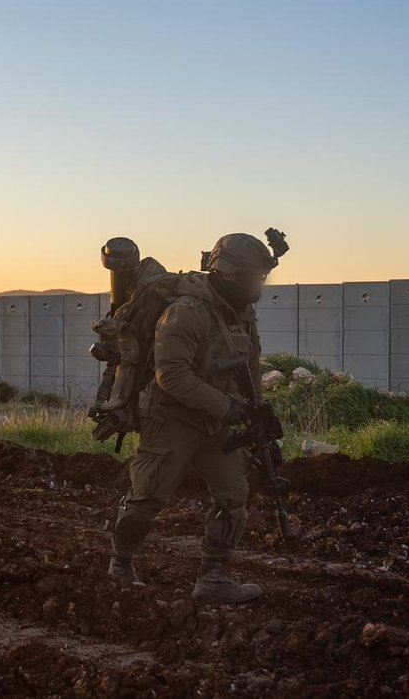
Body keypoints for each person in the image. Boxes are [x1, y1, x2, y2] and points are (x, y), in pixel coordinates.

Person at [108, 233, 277, 604]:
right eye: (252, 277)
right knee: (148, 497)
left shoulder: (242, 313)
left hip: (217, 420)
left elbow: (249, 366)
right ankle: (121, 563)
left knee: (233, 494)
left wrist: (256, 413)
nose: (257, 285)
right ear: (229, 274)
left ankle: (213, 577)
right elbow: (171, 377)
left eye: (259, 277)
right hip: (171, 419)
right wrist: (228, 408)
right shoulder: (185, 312)